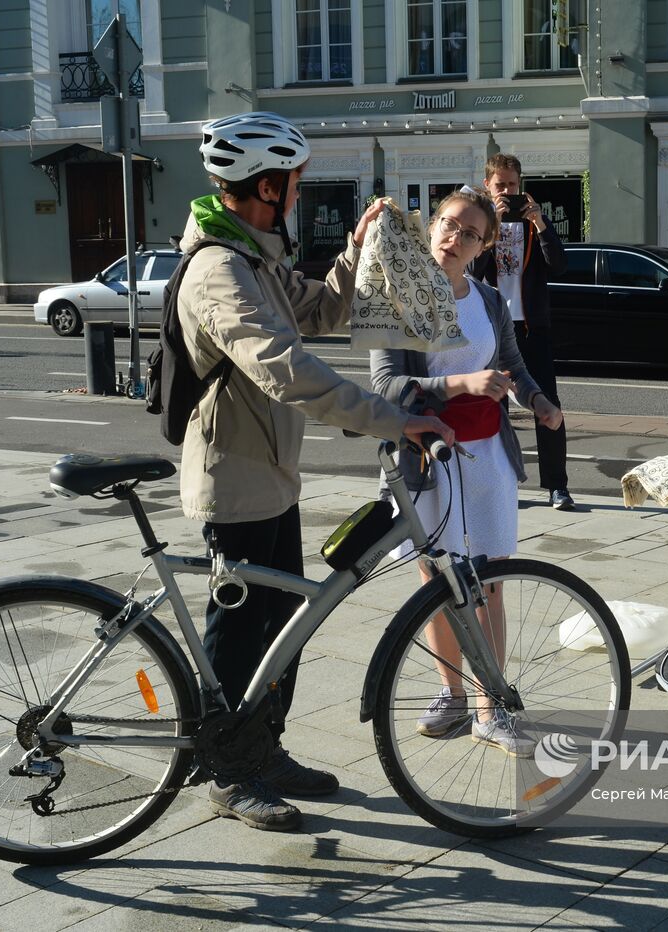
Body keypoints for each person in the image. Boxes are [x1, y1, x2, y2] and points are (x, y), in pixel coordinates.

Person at [178, 112, 454, 832]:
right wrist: (391, 418)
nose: (298, 196)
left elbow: (320, 310)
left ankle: (263, 749)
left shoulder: (257, 257)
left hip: (272, 473)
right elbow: (285, 369)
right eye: (295, 185)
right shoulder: (218, 269)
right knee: (240, 634)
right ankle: (229, 772)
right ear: (268, 186)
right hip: (234, 479)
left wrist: (355, 249)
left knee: (283, 624)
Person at [371, 186, 564, 757]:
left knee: (490, 583)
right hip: (431, 460)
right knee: (435, 582)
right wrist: (459, 384)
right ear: (432, 228)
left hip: (487, 459)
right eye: (449, 225)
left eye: (471, 233)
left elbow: (510, 365)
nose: (456, 239)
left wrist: (538, 401)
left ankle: (490, 705)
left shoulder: (487, 299)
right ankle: (451, 695)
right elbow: (386, 386)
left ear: (483, 247)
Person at [472, 153, 574, 511]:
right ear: (487, 185)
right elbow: (471, 270)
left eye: (512, 185)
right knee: (492, 407)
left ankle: (557, 487)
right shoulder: (482, 223)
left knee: (547, 404)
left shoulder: (534, 223)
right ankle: (502, 483)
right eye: (500, 185)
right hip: (493, 329)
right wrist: (490, 227)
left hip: (533, 328)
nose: (507, 191)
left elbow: (559, 265)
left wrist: (542, 223)